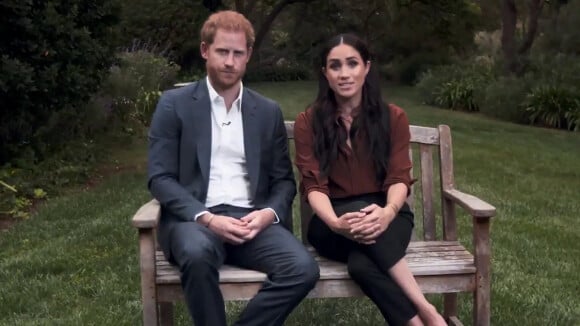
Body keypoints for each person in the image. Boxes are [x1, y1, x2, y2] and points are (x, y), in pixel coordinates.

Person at [148, 10, 319, 326]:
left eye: (237, 53)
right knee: (198, 255)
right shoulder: (175, 104)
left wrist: (267, 214)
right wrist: (209, 219)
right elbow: (159, 178)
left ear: (248, 55)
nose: (229, 61)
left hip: (251, 221)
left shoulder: (267, 112)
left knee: (302, 269)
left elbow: (283, 181)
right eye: (222, 52)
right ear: (205, 51)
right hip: (196, 220)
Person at [293, 33, 447, 326]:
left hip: (389, 216)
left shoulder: (393, 118)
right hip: (332, 223)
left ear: (366, 67)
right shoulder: (308, 122)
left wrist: (388, 213)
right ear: (325, 73)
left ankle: (415, 321)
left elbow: (399, 176)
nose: (344, 73)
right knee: (358, 212)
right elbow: (314, 185)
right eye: (335, 66)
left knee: (362, 265)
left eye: (352, 63)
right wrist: (337, 223)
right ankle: (428, 310)